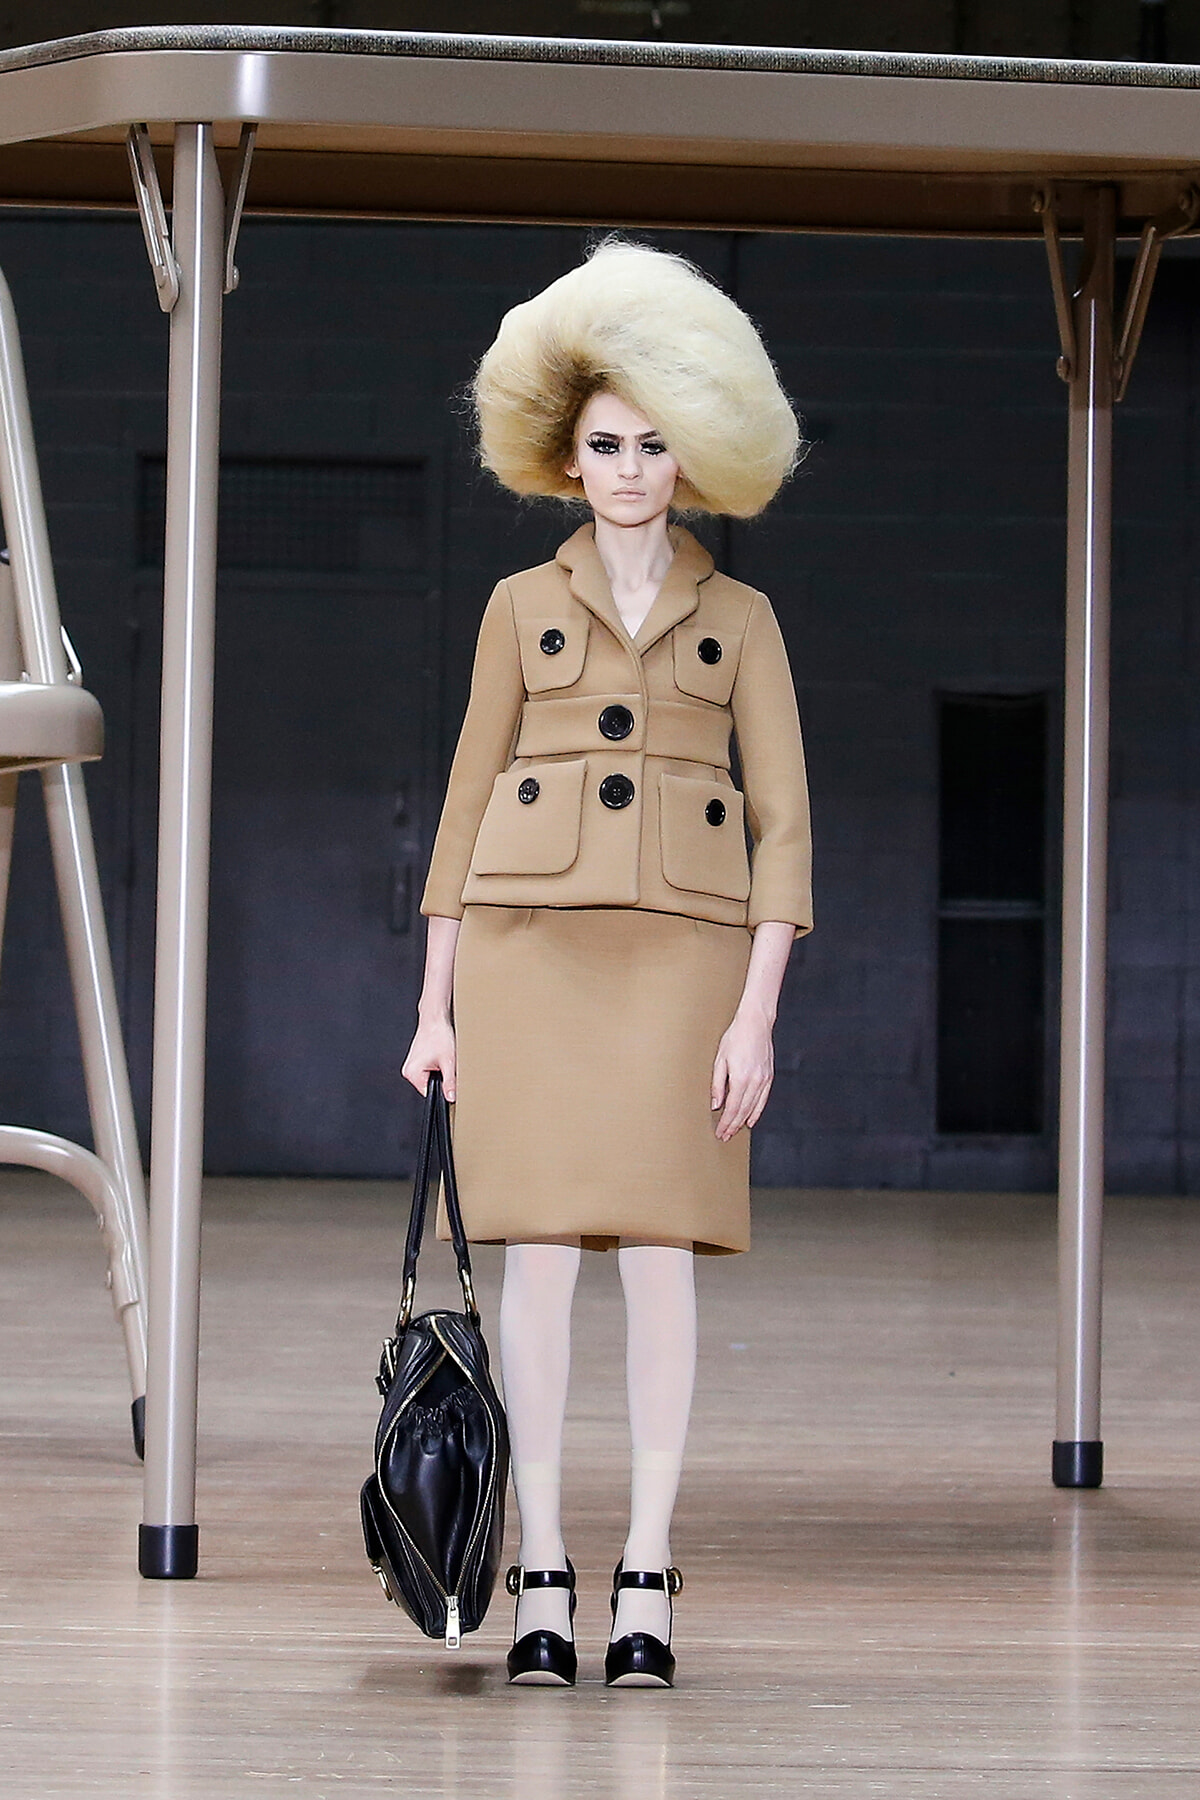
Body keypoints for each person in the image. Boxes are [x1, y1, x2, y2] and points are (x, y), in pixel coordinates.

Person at [402, 240, 812, 1689]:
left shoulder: (743, 621)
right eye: (605, 446)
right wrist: (436, 1007)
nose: (630, 470)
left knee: (657, 1255)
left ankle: (647, 1568)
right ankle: (542, 1573)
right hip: (529, 958)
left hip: (683, 967)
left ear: (687, 458)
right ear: (567, 461)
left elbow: (784, 827)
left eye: (652, 444)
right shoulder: (519, 607)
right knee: (535, 1258)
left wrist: (757, 1017)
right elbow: (464, 802)